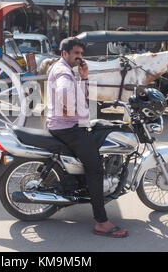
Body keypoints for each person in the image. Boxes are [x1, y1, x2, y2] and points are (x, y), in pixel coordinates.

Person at [46, 37, 129, 238]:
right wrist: (70, 112)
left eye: (81, 54)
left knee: (101, 131)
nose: (79, 57)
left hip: (71, 125)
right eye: (76, 53)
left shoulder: (69, 70)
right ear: (64, 53)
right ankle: (101, 222)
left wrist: (83, 78)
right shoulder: (63, 72)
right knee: (95, 169)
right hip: (68, 128)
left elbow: (79, 96)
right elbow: (65, 92)